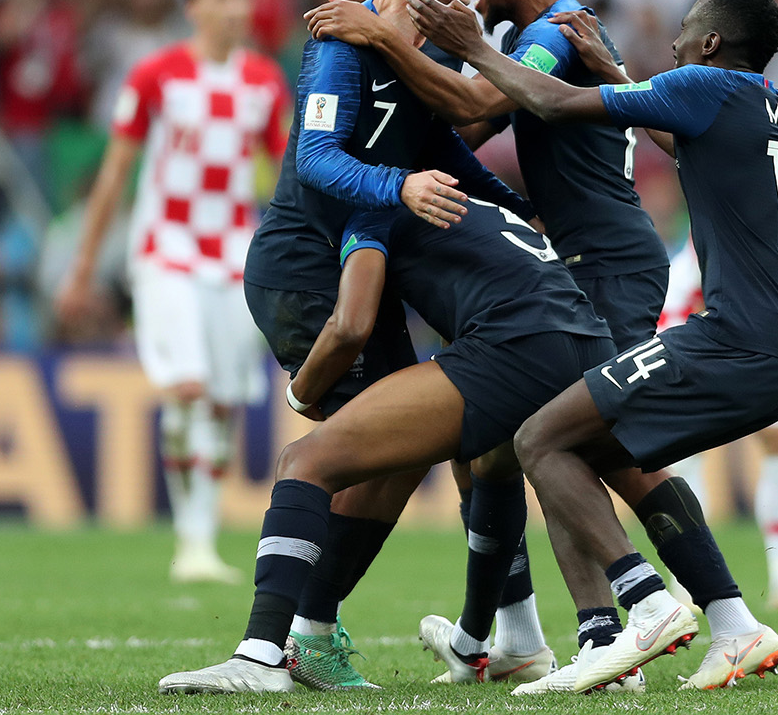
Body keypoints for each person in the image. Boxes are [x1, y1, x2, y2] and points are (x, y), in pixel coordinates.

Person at [306, 0, 775, 692]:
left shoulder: (558, 30)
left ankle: (715, 617)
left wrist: (389, 38)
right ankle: (508, 636)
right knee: (493, 443)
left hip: (607, 265)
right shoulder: (533, 38)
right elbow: (461, 130)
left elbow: (482, 108)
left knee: (587, 444)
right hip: (575, 259)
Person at [405, 0, 778, 694]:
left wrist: (474, 48)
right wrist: (617, 72)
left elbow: (554, 103)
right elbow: (681, 140)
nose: (676, 43)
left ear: (711, 44)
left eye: (687, 31)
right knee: (587, 442)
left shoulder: (700, 85)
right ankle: (732, 626)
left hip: (732, 338)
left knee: (539, 437)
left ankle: (639, 610)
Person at [242, 0, 539, 691]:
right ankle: (294, 636)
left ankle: (310, 630)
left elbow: (442, 143)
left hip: (362, 266)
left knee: (408, 450)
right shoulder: (342, 41)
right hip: (306, 270)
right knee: (367, 452)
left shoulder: (423, 50)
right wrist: (400, 188)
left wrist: (519, 216)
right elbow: (317, 161)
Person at [156, 182, 615, 695]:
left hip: (516, 345)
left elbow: (350, 325)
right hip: (585, 337)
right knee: (496, 464)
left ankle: (263, 651)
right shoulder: (481, 201)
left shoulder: (377, 204)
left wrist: (298, 392)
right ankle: (603, 627)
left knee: (305, 459)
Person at [55, 0, 288, 584]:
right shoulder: (156, 74)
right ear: (194, 6)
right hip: (165, 247)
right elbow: (114, 173)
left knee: (218, 400)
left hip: (234, 251)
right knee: (187, 385)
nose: (235, 8)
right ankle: (193, 542)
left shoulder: (265, 81)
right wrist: (82, 265)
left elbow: (292, 174)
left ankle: (200, 539)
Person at [664, 198, 778, 615]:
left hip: (750, 329)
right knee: (687, 454)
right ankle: (683, 586)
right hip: (691, 324)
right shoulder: (738, 216)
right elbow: (698, 291)